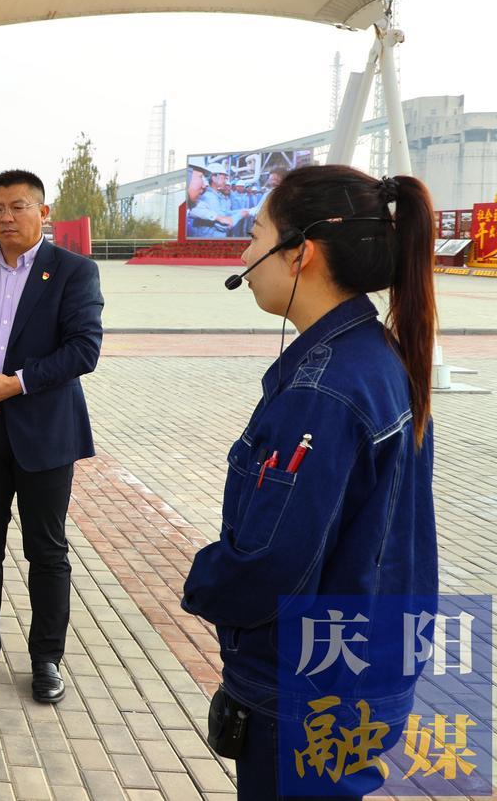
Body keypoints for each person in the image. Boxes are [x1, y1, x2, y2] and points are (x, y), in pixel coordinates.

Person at [182, 167, 438, 800]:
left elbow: (272, 563)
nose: (245, 257)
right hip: (360, 667)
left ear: (301, 253)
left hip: (308, 688)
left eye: (256, 235)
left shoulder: (324, 390)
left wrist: (204, 581)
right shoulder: (376, 355)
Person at [0, 169, 103, 705]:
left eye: (18, 206)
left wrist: (17, 384)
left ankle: (46, 658)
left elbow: (84, 349)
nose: (6, 217)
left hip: (45, 434)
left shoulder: (73, 271)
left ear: (43, 212)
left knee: (46, 551)